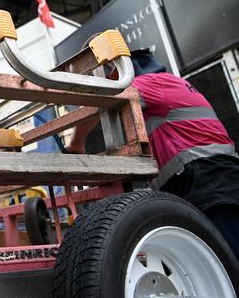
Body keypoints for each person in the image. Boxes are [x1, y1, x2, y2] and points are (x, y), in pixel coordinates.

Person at [67, 44, 239, 260]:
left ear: (117, 69)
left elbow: (99, 102)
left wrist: (76, 145)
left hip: (205, 179)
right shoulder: (176, 82)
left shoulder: (146, 84)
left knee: (225, 260)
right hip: (221, 174)